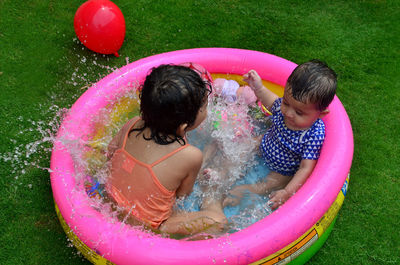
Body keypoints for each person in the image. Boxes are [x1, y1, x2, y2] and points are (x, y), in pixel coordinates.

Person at [106, 64, 227, 236]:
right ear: (183, 127)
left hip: (110, 198)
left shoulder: (132, 123)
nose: (206, 111)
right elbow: (183, 195)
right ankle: (212, 199)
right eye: (204, 107)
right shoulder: (191, 155)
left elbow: (110, 154)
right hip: (150, 225)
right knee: (217, 222)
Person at [223, 60, 337, 210]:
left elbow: (305, 168)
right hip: (264, 144)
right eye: (286, 103)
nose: (288, 113)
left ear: (320, 114)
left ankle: (242, 191)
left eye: (299, 112)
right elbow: (270, 100)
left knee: (268, 185)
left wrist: (288, 191)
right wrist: (258, 87)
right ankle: (222, 174)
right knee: (242, 150)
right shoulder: (286, 109)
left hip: (282, 170)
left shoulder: (314, 134)